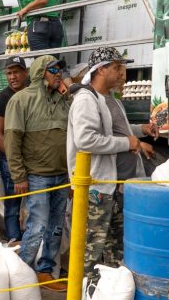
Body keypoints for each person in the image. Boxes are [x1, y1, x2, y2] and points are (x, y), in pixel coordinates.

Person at [67, 46, 157, 280]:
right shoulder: (86, 100)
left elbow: (114, 130)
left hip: (116, 188)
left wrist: (140, 130)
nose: (122, 73)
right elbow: (86, 140)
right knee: (92, 252)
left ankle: (109, 296)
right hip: (99, 189)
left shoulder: (112, 100)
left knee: (116, 250)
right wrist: (129, 143)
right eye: (117, 68)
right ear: (100, 70)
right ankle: (85, 296)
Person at [4, 55, 70, 292]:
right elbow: (12, 140)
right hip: (37, 176)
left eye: (60, 70)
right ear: (42, 72)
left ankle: (45, 271)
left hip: (62, 175)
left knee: (56, 226)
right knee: (38, 226)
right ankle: (21, 273)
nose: (58, 74)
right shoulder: (22, 100)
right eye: (53, 70)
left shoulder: (63, 100)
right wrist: (19, 176)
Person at [0, 56, 29, 242]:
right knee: (12, 205)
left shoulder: (32, 95)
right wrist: (16, 159)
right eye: (9, 73)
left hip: (33, 159)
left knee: (34, 204)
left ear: (26, 73)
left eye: (16, 72)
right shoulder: (1, 99)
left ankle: (30, 244)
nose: (13, 77)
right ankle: (15, 243)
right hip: (10, 161)